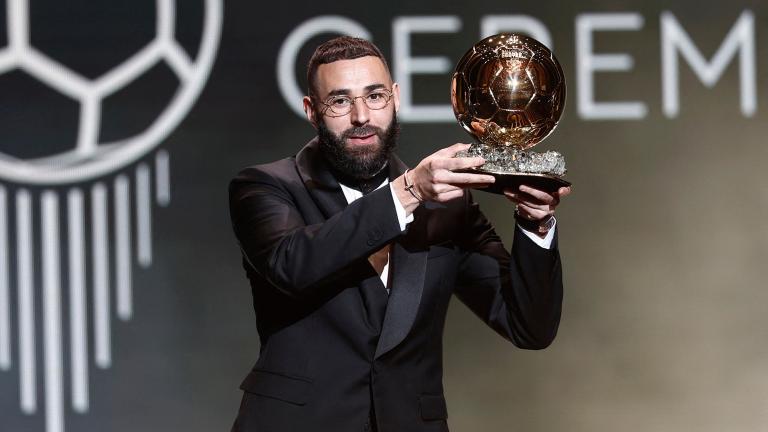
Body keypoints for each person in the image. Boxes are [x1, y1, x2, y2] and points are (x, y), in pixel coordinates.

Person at [229, 36, 571, 432]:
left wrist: (535, 223)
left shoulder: (448, 206)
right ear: (312, 111)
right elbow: (292, 265)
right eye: (340, 101)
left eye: (374, 96)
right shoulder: (265, 187)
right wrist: (408, 192)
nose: (361, 116)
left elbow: (528, 326)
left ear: (394, 98)